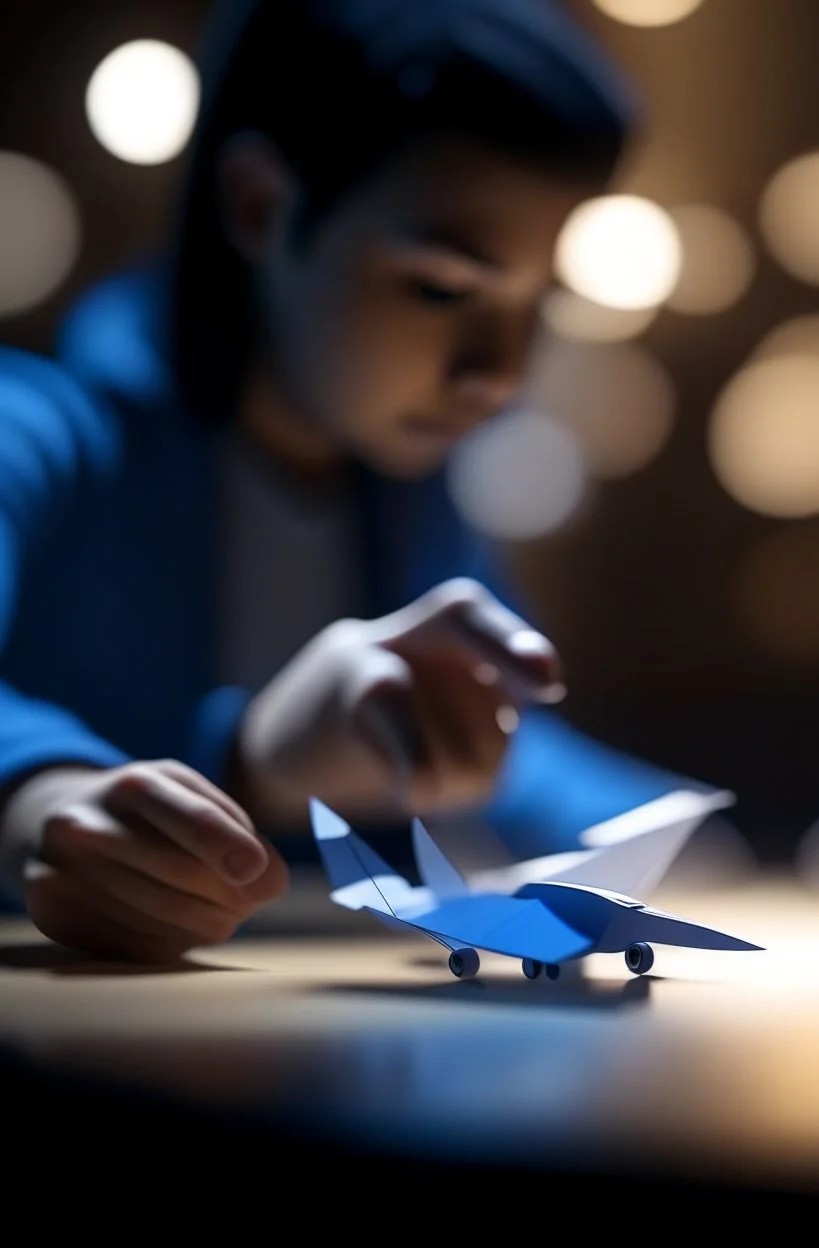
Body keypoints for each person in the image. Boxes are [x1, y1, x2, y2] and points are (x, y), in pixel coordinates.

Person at [0, 0, 685, 963]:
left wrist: (680, 827)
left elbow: (501, 751)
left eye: (541, 303)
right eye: (443, 289)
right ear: (260, 205)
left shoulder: (413, 500)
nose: (501, 371)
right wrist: (39, 793)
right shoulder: (36, 440)